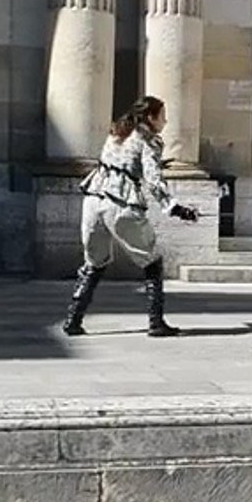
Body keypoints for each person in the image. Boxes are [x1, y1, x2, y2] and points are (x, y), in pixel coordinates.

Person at [61, 96, 200, 338]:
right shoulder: (149, 141)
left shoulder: (117, 132)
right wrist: (176, 208)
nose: (165, 122)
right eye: (162, 116)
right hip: (121, 203)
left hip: (93, 200)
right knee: (152, 261)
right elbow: (153, 180)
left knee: (94, 263)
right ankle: (156, 322)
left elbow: (119, 163)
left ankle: (73, 319)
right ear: (151, 117)